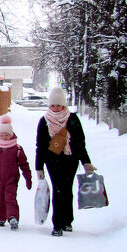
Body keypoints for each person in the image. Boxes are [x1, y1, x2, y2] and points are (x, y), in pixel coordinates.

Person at [35, 86, 96, 237]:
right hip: (52, 160)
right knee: (57, 189)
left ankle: (68, 220)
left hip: (70, 160)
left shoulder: (73, 119)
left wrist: (86, 163)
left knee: (67, 190)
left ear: (64, 105)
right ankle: (57, 224)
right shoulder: (44, 121)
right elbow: (40, 146)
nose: (55, 108)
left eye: (58, 105)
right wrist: (39, 167)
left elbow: (80, 143)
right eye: (53, 105)